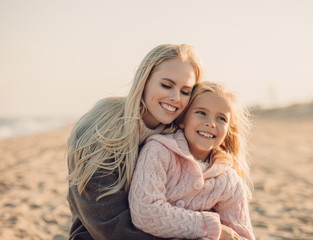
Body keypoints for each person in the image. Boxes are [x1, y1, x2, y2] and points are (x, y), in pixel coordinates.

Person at [66, 44, 204, 240]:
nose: (175, 98)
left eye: (185, 91)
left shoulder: (180, 136)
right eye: (166, 85)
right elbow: (108, 225)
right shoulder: (101, 128)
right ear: (144, 81)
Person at [129, 81, 256, 240]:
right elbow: (145, 212)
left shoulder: (229, 180)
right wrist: (210, 227)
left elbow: (241, 236)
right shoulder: (159, 151)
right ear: (182, 119)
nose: (210, 123)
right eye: (201, 113)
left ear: (228, 130)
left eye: (221, 118)